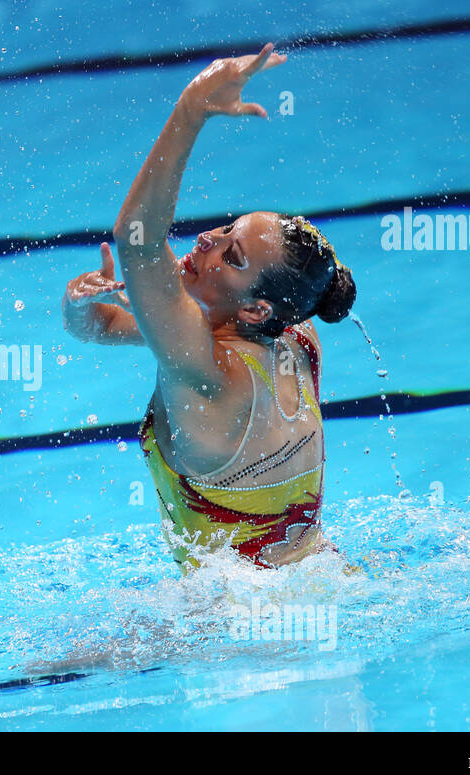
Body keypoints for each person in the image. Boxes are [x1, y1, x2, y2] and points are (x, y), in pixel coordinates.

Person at [62, 44, 357, 570]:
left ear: (254, 311)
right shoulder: (297, 338)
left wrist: (193, 106)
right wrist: (81, 305)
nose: (206, 242)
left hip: (241, 628)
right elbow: (105, 326)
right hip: (329, 575)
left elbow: (137, 241)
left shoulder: (209, 374)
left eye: (232, 254)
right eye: (226, 228)